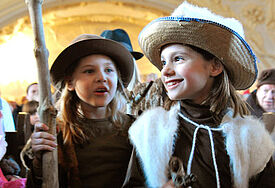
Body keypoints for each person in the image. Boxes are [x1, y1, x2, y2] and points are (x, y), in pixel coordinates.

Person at [123, 2, 275, 188]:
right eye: (163, 62)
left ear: (215, 66)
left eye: (178, 59)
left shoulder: (251, 137)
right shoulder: (151, 130)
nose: (166, 71)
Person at [24, 34, 135, 187]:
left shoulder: (136, 128)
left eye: (109, 70)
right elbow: (38, 183)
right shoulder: (55, 131)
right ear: (70, 82)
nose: (101, 77)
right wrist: (39, 158)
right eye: (89, 71)